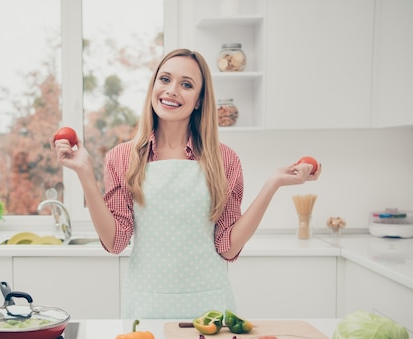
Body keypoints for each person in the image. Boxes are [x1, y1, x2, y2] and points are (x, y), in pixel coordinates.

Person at [51, 48, 321, 319]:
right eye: (165, 79)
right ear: (153, 86)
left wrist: (271, 184)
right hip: (147, 307)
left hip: (210, 309)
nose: (171, 90)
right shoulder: (122, 158)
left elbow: (227, 246)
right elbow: (115, 242)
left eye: (187, 84)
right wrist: (85, 173)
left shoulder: (224, 160)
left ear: (200, 100)